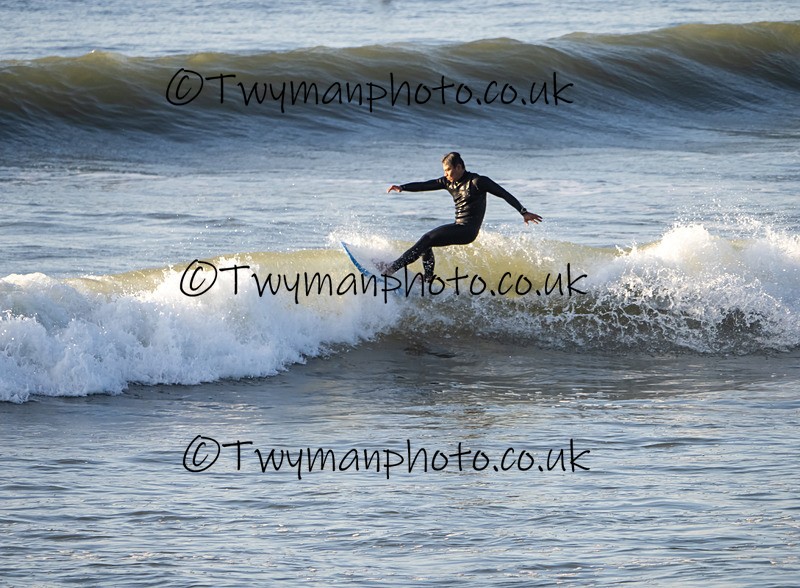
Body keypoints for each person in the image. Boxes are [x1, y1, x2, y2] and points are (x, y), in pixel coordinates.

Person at [379, 152, 542, 282]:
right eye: (444, 171)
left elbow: (504, 194)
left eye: (448, 170)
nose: (445, 174)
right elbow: (425, 185)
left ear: (458, 167)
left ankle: (391, 269)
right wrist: (402, 187)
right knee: (426, 244)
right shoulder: (448, 182)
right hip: (458, 226)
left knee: (427, 238)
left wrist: (523, 212)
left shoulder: (478, 181)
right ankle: (428, 279)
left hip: (467, 231)